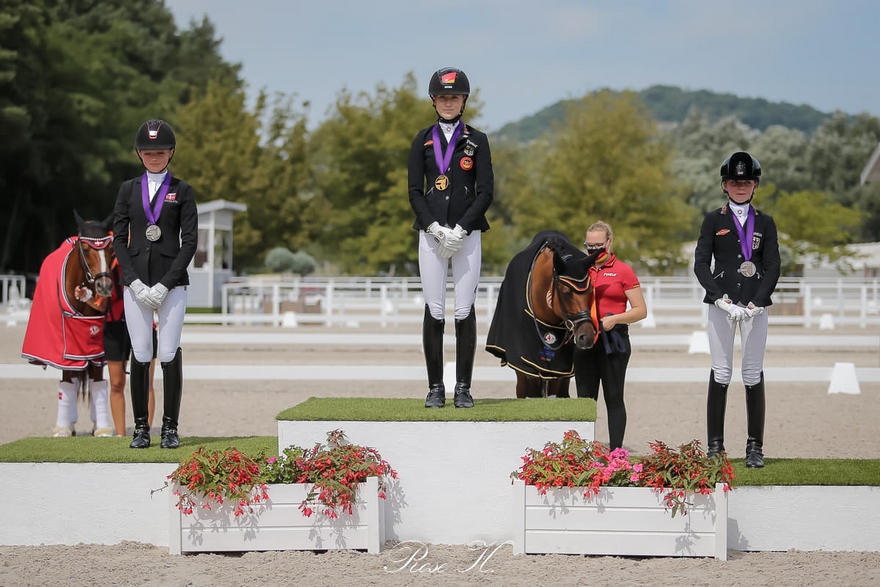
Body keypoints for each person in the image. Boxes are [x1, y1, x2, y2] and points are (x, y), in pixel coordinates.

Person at [408, 67, 494, 409]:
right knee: (434, 309)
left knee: (464, 309)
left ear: (463, 101)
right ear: (434, 100)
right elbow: (414, 191)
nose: (448, 102)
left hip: (466, 235)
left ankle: (463, 387)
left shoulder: (478, 140)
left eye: (454, 97)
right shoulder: (422, 140)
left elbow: (485, 191)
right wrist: (433, 226)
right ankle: (434, 388)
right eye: (443, 97)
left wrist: (462, 228)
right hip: (432, 235)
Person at [112, 119, 198, 449]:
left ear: (171, 152)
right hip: (136, 283)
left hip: (171, 284)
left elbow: (189, 242)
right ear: (139, 154)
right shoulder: (127, 190)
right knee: (141, 352)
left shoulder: (183, 191)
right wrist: (132, 281)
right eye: (148, 152)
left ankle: (170, 428)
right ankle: (140, 428)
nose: (154, 157)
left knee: (168, 351)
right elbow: (120, 239)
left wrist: (165, 283)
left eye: (160, 152)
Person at [694, 151, 780, 468]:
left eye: (745, 182)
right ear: (725, 185)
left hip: (755, 306)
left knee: (752, 372)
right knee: (721, 371)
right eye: (734, 182)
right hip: (722, 305)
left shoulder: (766, 223)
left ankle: (754, 447)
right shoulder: (713, 220)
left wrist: (758, 301)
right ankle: (715, 447)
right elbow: (701, 263)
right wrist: (718, 298)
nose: (740, 187)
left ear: (754, 185)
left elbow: (772, 265)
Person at [572, 221, 647, 450]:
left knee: (614, 398)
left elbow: (640, 310)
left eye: (598, 245)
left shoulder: (623, 270)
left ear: (609, 242)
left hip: (613, 340)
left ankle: (616, 453)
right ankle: (584, 451)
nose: (593, 251)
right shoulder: (579, 269)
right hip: (585, 340)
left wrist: (615, 319)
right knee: (585, 401)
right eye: (589, 246)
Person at [103, 256, 157, 436]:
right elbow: (100, 301)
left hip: (145, 323)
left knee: (146, 383)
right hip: (114, 325)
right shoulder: (107, 261)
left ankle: (145, 431)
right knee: (117, 383)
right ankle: (120, 434)